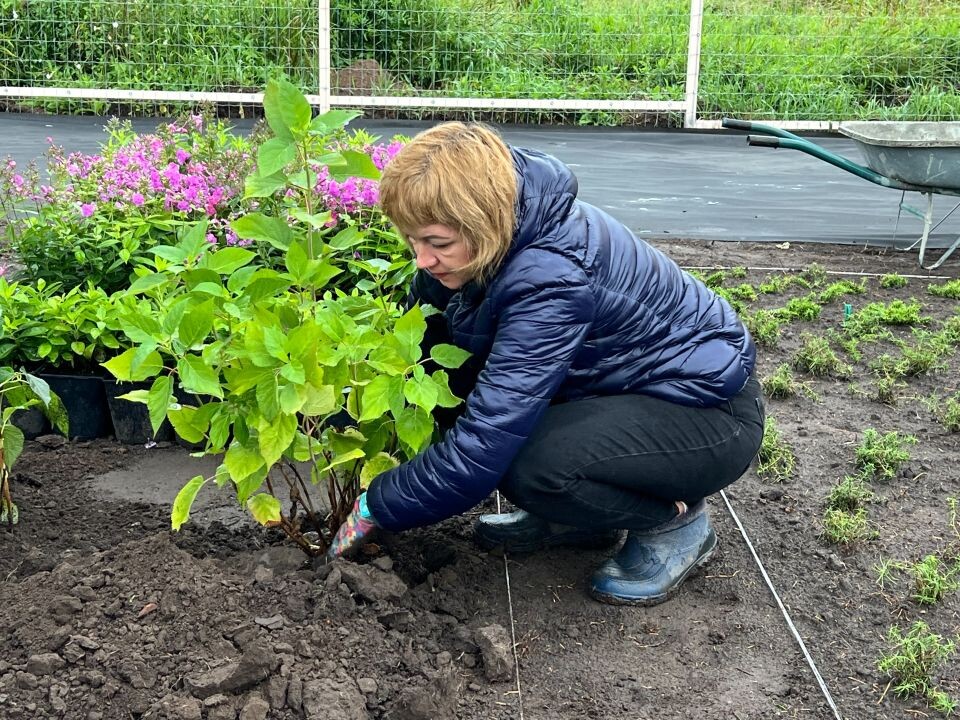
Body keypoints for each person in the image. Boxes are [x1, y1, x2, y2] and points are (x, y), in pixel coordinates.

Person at [328, 122, 765, 606]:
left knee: (529, 466)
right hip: (619, 390)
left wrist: (376, 504)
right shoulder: (478, 247)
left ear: (482, 222)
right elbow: (428, 361)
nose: (423, 259)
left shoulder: (550, 277)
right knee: (475, 407)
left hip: (706, 414)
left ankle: (675, 522)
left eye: (437, 243)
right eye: (413, 241)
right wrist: (343, 419)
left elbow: (480, 451)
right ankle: (579, 518)